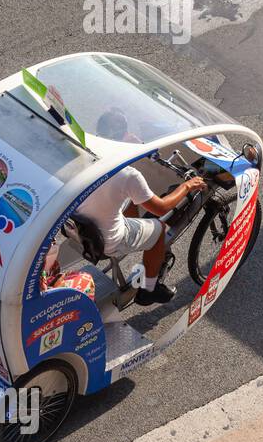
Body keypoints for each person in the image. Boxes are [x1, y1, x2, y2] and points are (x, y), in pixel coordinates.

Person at [79, 110, 206, 306]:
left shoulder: (85, 152)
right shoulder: (128, 175)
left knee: (128, 200)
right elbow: (162, 208)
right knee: (160, 230)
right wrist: (187, 185)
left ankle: (137, 235)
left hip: (82, 228)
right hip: (108, 239)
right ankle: (149, 289)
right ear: (124, 136)